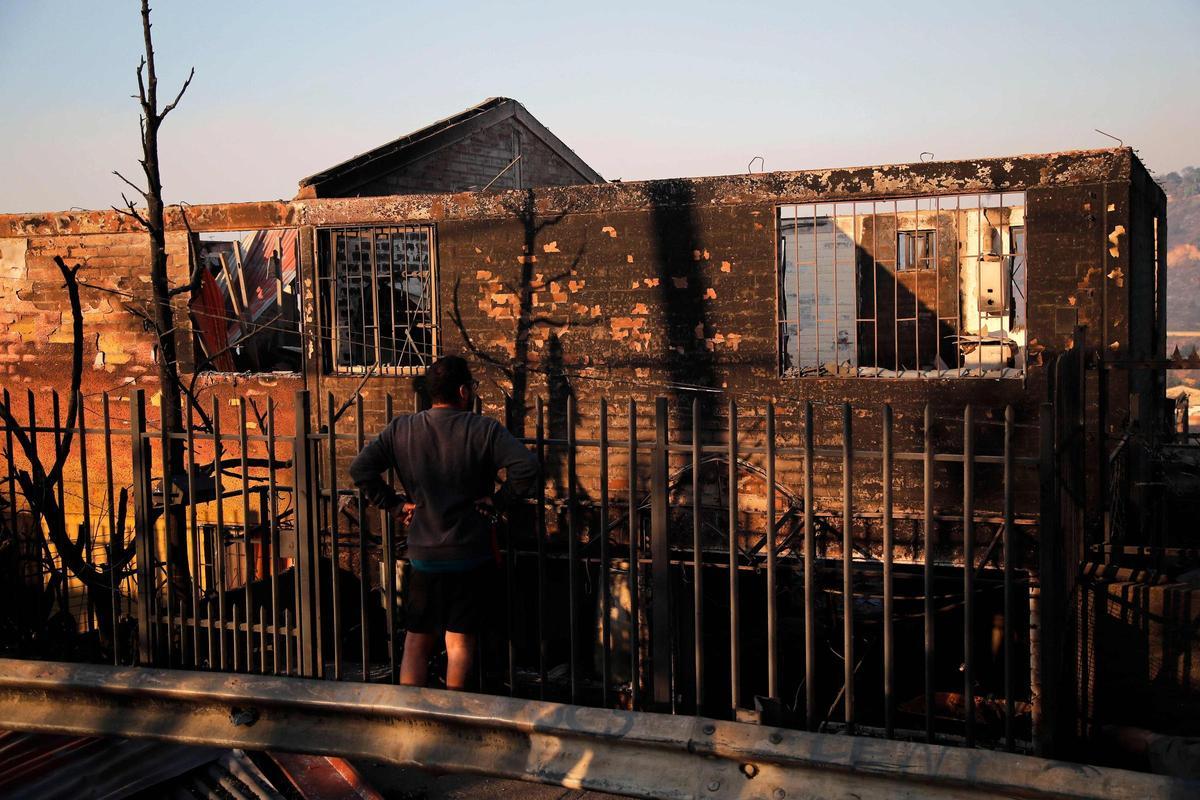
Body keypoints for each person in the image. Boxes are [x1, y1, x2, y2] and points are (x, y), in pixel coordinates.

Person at [349, 356, 537, 690]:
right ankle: (453, 718)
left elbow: (361, 470)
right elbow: (527, 468)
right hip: (470, 553)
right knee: (460, 643)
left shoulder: (401, 429)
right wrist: (498, 500)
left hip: (425, 556)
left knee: (416, 642)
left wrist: (394, 504)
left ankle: (410, 721)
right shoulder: (484, 429)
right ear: (464, 391)